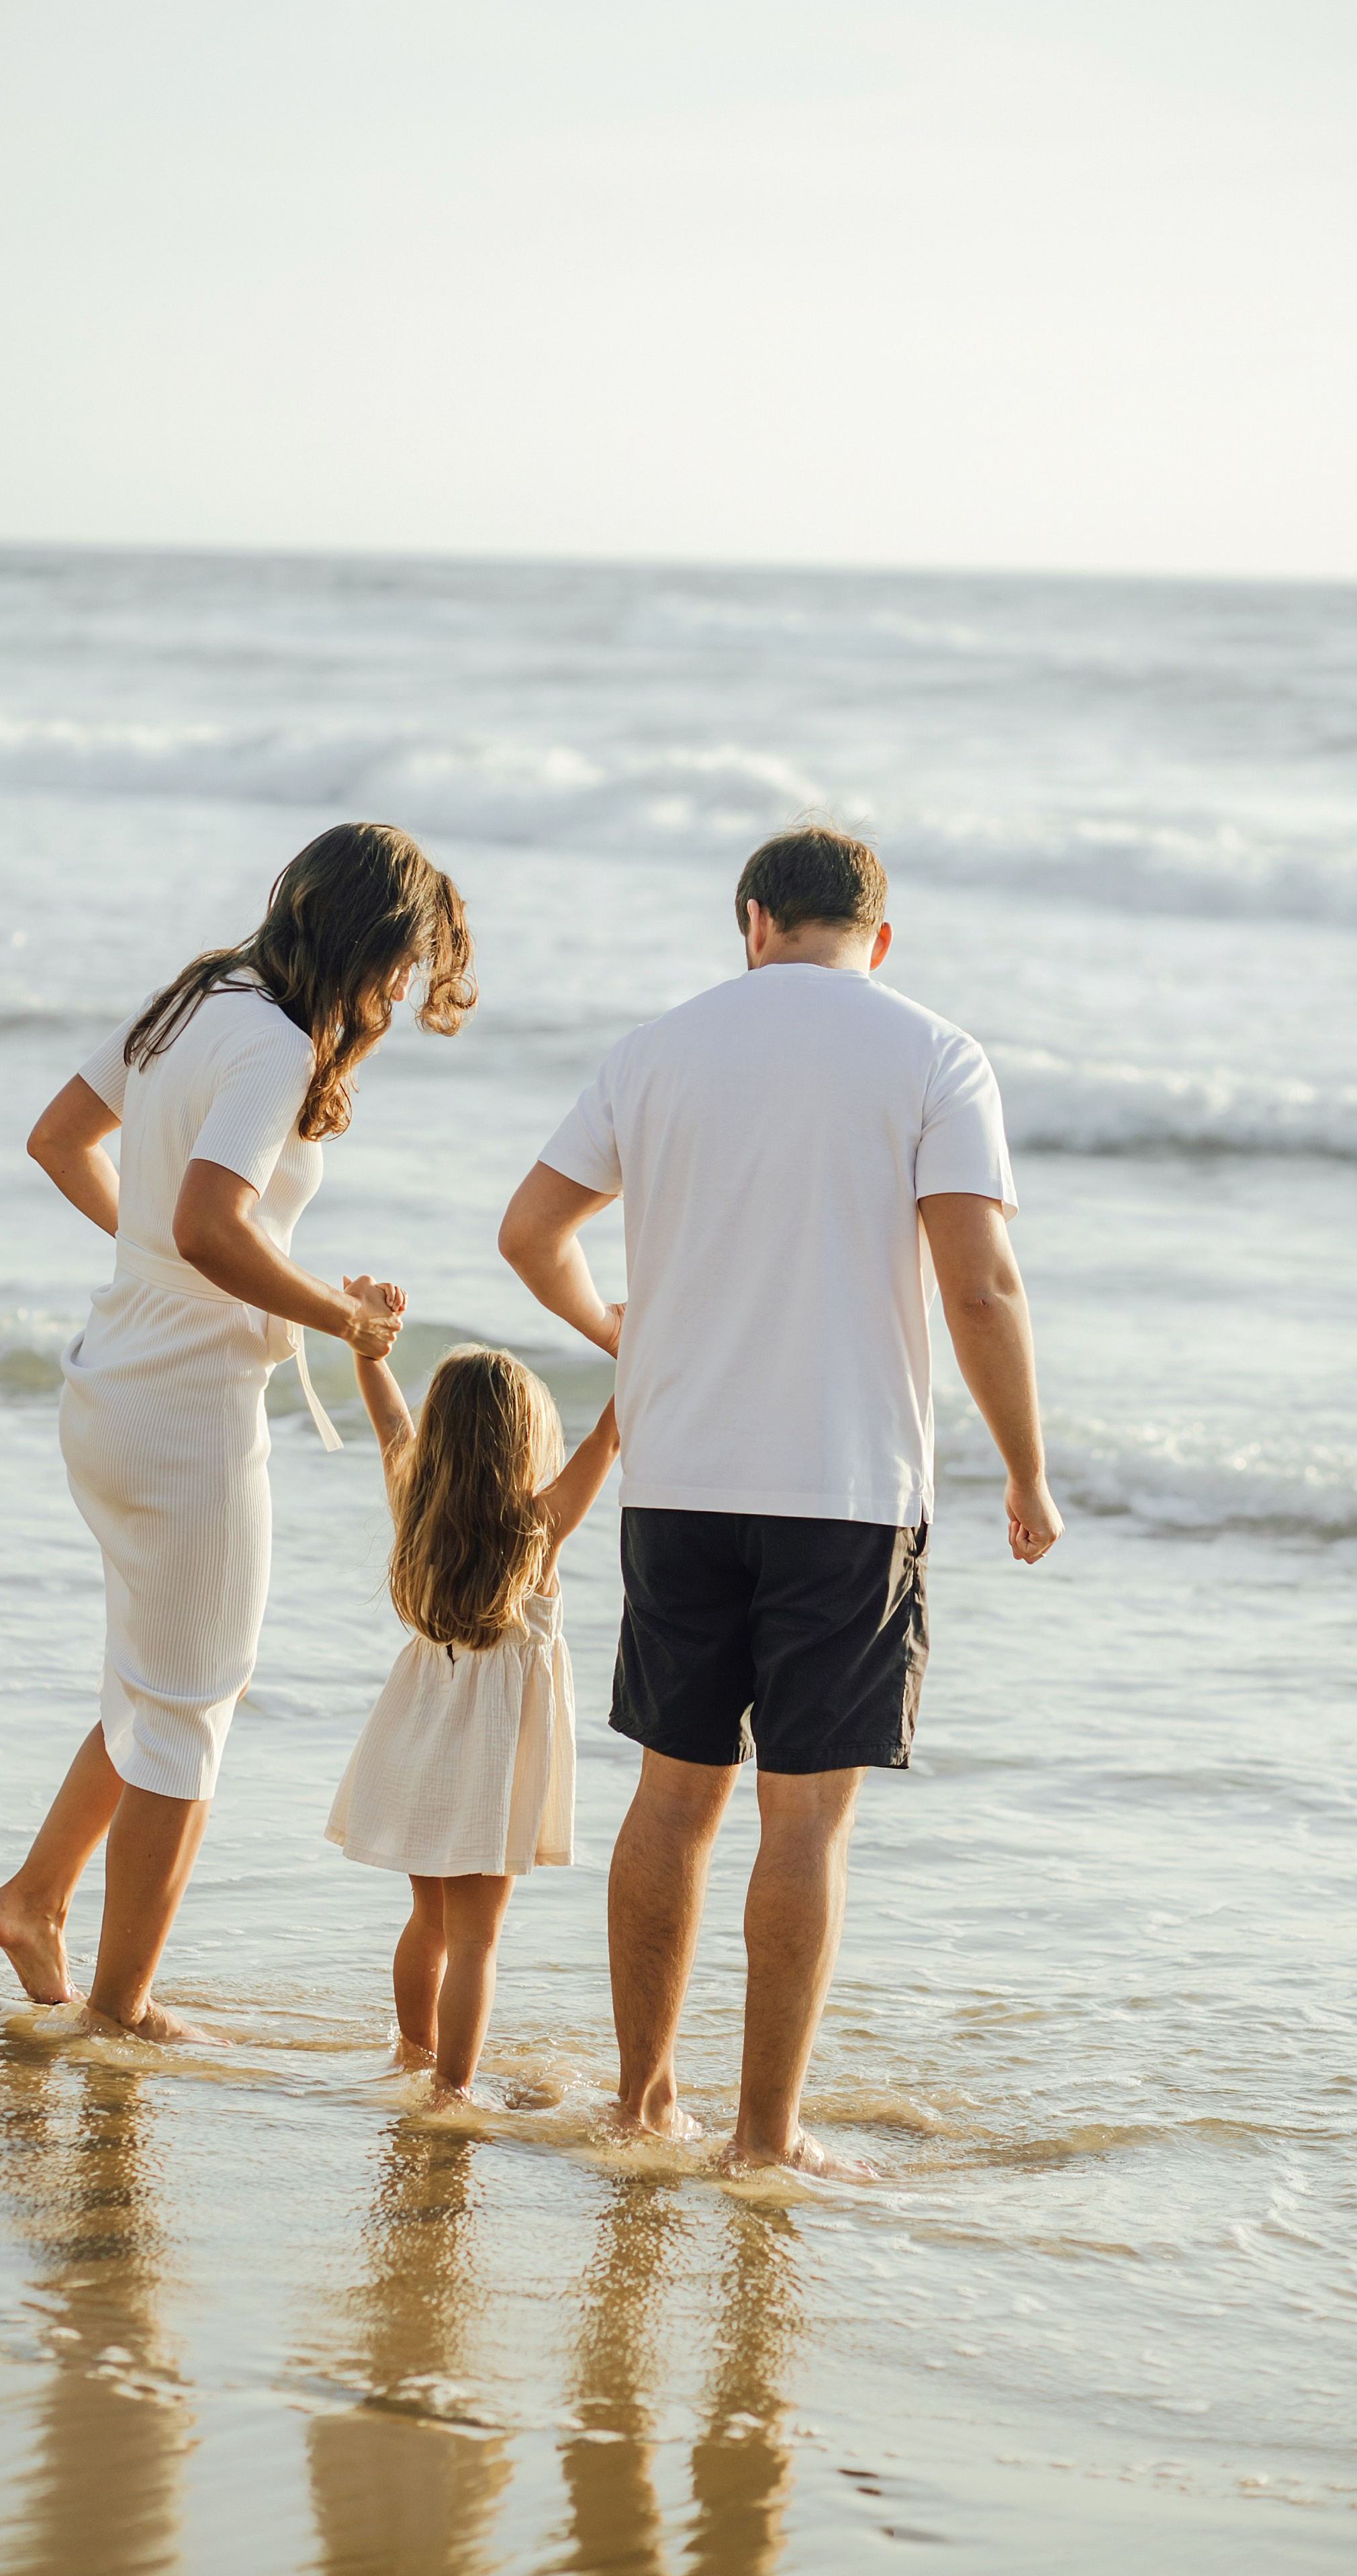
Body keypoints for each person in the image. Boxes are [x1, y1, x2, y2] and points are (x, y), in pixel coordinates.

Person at [498, 821, 1062, 2176]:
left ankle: (641, 2104)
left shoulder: (655, 1049)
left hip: (679, 1481)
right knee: (801, 1818)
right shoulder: (931, 1050)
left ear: (751, 921)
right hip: (846, 1492)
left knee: (671, 1797)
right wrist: (1026, 1470)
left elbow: (527, 1233)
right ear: (878, 937)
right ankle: (763, 2138)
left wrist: (620, 1335)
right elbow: (976, 1283)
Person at [0, 822, 474, 2040]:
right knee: (193, 1713)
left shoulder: (199, 996)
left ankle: (35, 1900)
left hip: (114, 1385)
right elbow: (210, 1225)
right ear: (365, 942)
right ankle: (120, 2009)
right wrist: (340, 1319)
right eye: (401, 967)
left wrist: (171, 1266)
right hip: (185, 1420)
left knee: (154, 1686)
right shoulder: (269, 1041)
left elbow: (61, 1141)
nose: (399, 995)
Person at [326, 1339, 620, 2096]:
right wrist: (644, 1362)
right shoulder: (538, 1529)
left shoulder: (415, 1510)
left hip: (418, 1744)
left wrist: (367, 1350)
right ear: (521, 1445)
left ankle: (415, 2057)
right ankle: (451, 2092)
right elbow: (606, 1439)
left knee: (428, 1924)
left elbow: (391, 1422)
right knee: (476, 1941)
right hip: (490, 1764)